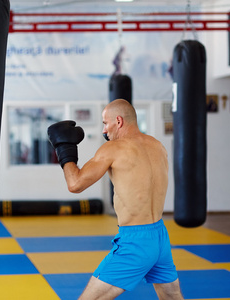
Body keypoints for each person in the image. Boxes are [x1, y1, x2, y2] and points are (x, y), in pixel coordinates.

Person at [47, 99, 183, 300]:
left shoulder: (113, 149)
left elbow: (75, 184)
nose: (104, 130)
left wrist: (63, 148)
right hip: (160, 236)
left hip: (135, 240)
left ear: (118, 121)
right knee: (172, 297)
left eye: (105, 123)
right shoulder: (158, 146)